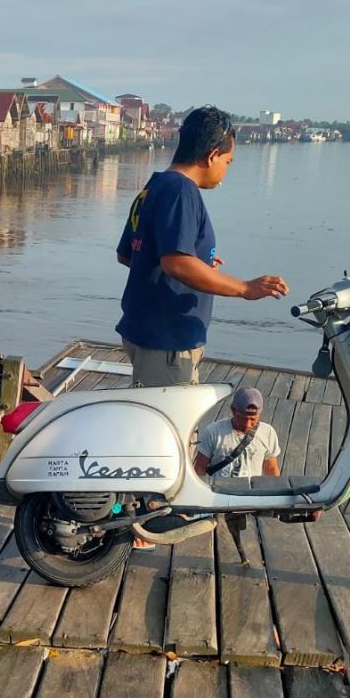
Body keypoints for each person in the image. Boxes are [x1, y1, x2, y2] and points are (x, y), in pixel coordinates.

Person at [115, 106, 289, 386]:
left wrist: (197, 262)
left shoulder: (155, 185)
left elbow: (129, 254)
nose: (226, 170)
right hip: (166, 340)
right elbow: (176, 263)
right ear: (211, 156)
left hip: (145, 330)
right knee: (172, 425)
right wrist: (245, 288)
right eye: (228, 162)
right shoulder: (182, 191)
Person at [195, 387, 282, 478]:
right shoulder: (213, 432)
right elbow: (200, 467)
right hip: (219, 490)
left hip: (251, 491)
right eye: (243, 418)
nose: (248, 424)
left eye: (253, 419)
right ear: (233, 411)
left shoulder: (268, 433)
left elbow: (271, 469)